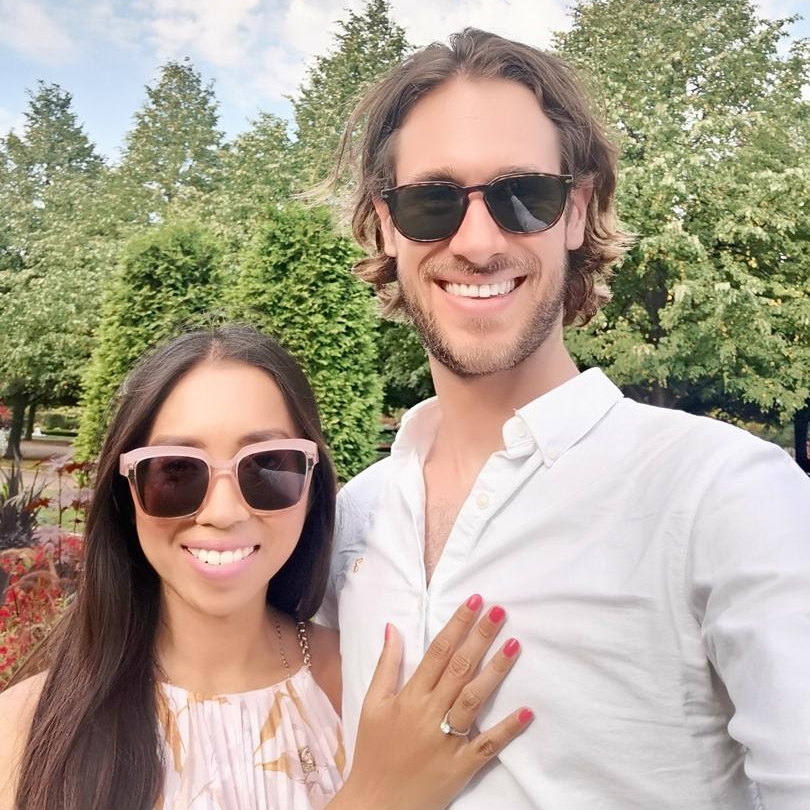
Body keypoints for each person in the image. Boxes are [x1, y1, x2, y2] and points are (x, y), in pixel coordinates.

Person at [318, 27, 810, 810]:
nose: (478, 242)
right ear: (386, 225)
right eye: (432, 202)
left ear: (576, 212)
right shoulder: (351, 517)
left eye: (525, 196)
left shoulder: (725, 493)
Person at [0, 325, 532, 810]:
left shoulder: (369, 685)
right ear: (128, 494)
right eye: (177, 471)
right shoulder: (28, 730)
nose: (223, 512)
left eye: (267, 467)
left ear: (312, 485)